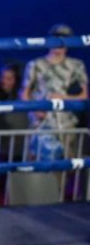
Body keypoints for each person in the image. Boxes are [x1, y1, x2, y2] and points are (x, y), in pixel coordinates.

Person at [21, 23, 87, 158]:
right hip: (39, 122)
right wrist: (34, 110)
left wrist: (63, 98)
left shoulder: (76, 65)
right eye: (56, 40)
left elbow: (84, 95)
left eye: (64, 41)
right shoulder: (35, 64)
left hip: (65, 122)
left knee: (65, 163)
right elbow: (24, 93)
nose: (59, 46)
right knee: (35, 161)